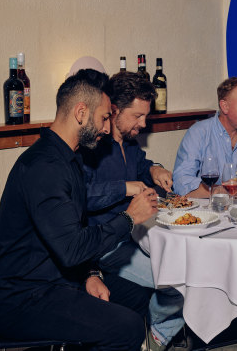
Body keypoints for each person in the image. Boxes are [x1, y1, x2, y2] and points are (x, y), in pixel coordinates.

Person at [0, 69, 158, 351]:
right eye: (103, 118)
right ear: (80, 113)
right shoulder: (44, 168)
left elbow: (76, 228)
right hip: (21, 299)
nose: (105, 128)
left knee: (135, 296)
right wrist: (129, 218)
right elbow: (73, 247)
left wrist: (90, 274)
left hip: (56, 280)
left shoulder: (70, 157)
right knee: (128, 327)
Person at [80, 71, 188, 351]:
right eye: (137, 116)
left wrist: (154, 168)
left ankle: (153, 336)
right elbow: (81, 196)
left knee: (190, 273)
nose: (143, 123)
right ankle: (156, 340)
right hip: (105, 249)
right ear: (113, 109)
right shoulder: (92, 144)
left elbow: (140, 166)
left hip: (134, 237)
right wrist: (124, 188)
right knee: (179, 286)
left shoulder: (128, 141)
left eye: (145, 116)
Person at [173, 76, 237, 197]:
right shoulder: (198, 133)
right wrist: (217, 190)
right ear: (225, 106)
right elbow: (180, 183)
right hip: (210, 211)